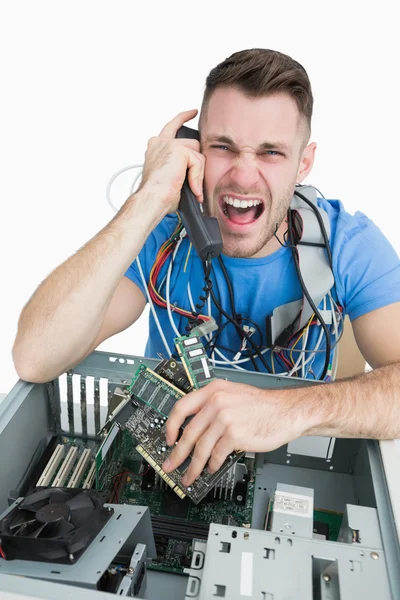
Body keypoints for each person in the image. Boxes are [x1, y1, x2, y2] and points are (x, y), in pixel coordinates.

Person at [12, 49, 400, 489]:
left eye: (271, 152)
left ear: (303, 163)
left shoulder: (348, 245)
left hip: (290, 465)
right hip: (168, 456)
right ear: (195, 148)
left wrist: (284, 409)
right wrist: (148, 197)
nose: (243, 176)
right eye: (223, 147)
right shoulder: (161, 234)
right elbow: (35, 356)